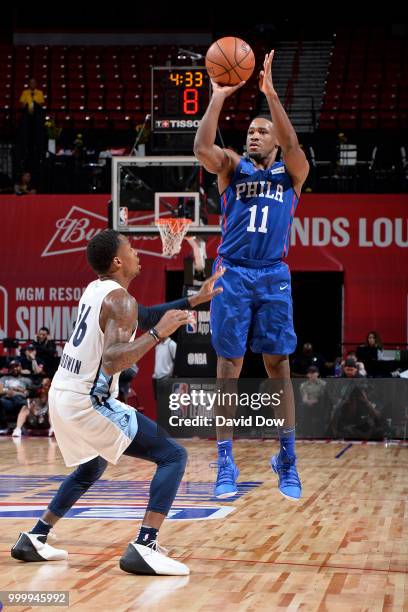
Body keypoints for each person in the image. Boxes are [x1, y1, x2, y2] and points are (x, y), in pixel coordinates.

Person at [11, 229, 223, 576]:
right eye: (132, 248)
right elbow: (112, 362)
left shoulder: (99, 291)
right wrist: (157, 335)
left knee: (93, 466)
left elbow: (144, 313)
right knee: (173, 454)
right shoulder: (120, 300)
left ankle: (35, 536)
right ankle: (145, 544)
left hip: (63, 394)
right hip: (86, 399)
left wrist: (193, 301)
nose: (138, 252)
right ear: (117, 261)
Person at [193, 51, 309, 500]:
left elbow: (296, 148)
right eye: (250, 132)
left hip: (274, 275)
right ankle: (225, 461)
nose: (255, 136)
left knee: (278, 364)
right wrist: (218, 99)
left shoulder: (291, 173)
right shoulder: (232, 167)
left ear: (276, 139)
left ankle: (288, 457)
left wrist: (272, 96)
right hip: (234, 274)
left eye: (263, 131)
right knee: (229, 366)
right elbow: (203, 149)